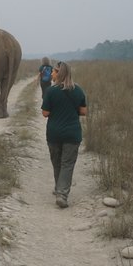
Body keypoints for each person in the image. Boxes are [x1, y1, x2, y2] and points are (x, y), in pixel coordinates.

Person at [41, 61, 87, 208]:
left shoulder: (51, 91)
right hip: (72, 134)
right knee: (67, 164)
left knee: (57, 162)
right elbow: (84, 112)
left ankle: (59, 189)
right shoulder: (78, 90)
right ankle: (62, 193)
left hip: (54, 133)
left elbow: (45, 113)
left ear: (59, 73)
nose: (52, 74)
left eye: (54, 71)